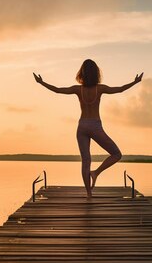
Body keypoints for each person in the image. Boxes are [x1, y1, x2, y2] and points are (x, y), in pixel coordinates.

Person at [33, 59, 143, 198]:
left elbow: (58, 90)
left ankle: (89, 194)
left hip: (82, 126)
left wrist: (41, 82)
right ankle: (96, 173)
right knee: (116, 154)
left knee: (86, 161)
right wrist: (135, 82)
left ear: (82, 74)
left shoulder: (78, 89)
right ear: (96, 73)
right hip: (95, 125)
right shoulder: (100, 88)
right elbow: (120, 89)